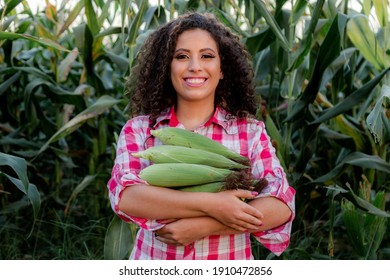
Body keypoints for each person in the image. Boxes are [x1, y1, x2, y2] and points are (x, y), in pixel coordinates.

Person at [107, 12, 295, 260]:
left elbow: (281, 205)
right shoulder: (141, 130)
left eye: (207, 56)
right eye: (182, 56)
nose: (195, 66)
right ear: (166, 67)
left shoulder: (249, 132)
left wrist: (204, 226)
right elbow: (126, 197)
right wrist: (214, 204)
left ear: (222, 69)